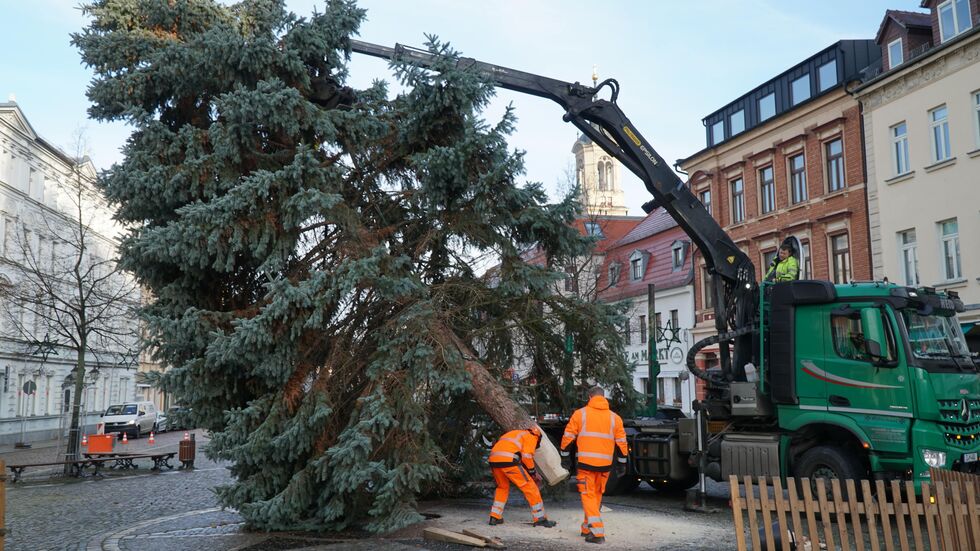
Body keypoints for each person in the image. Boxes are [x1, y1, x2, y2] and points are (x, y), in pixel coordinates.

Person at [560, 386, 628, 544]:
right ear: (604, 397)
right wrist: (622, 463)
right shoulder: (615, 418)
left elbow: (568, 437)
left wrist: (564, 457)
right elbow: (622, 442)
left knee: (588, 495)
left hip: (586, 464)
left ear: (590, 397)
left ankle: (597, 533)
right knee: (596, 495)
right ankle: (587, 528)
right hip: (605, 465)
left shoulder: (580, 414)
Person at [487, 425, 557, 527]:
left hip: (493, 460)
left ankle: (495, 517)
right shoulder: (532, 436)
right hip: (509, 461)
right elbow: (527, 456)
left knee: (502, 487)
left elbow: (513, 451)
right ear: (538, 437)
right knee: (531, 488)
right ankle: (540, 519)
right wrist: (533, 473)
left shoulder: (514, 433)